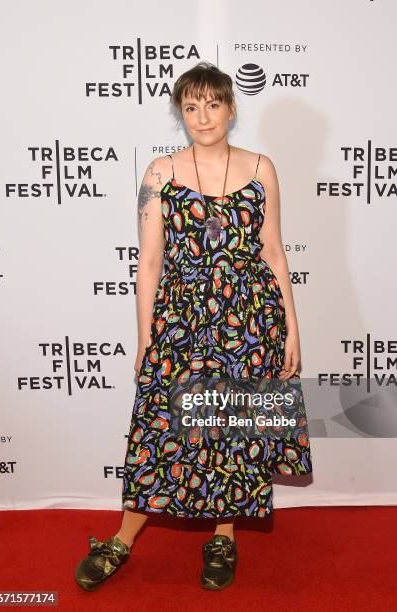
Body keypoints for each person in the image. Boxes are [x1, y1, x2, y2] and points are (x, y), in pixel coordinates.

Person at [75, 60, 312, 592]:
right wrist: (145, 338)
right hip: (182, 323)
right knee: (163, 434)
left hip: (252, 322)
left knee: (233, 430)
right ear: (179, 113)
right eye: (190, 106)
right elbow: (150, 264)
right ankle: (120, 540)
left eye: (212, 103)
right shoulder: (160, 173)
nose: (202, 116)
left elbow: (274, 252)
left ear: (231, 107)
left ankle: (223, 538)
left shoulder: (261, 167)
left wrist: (292, 328)